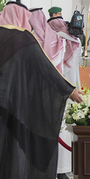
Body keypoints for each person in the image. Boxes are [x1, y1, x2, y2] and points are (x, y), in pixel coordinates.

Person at [0, 1, 83, 179]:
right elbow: (46, 69)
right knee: (12, 150)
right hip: (15, 107)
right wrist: (69, 90)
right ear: (20, 16)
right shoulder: (25, 38)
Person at [47, 10, 82, 179]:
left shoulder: (55, 44)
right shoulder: (74, 42)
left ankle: (57, 170)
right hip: (71, 94)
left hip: (57, 96)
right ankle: (63, 170)